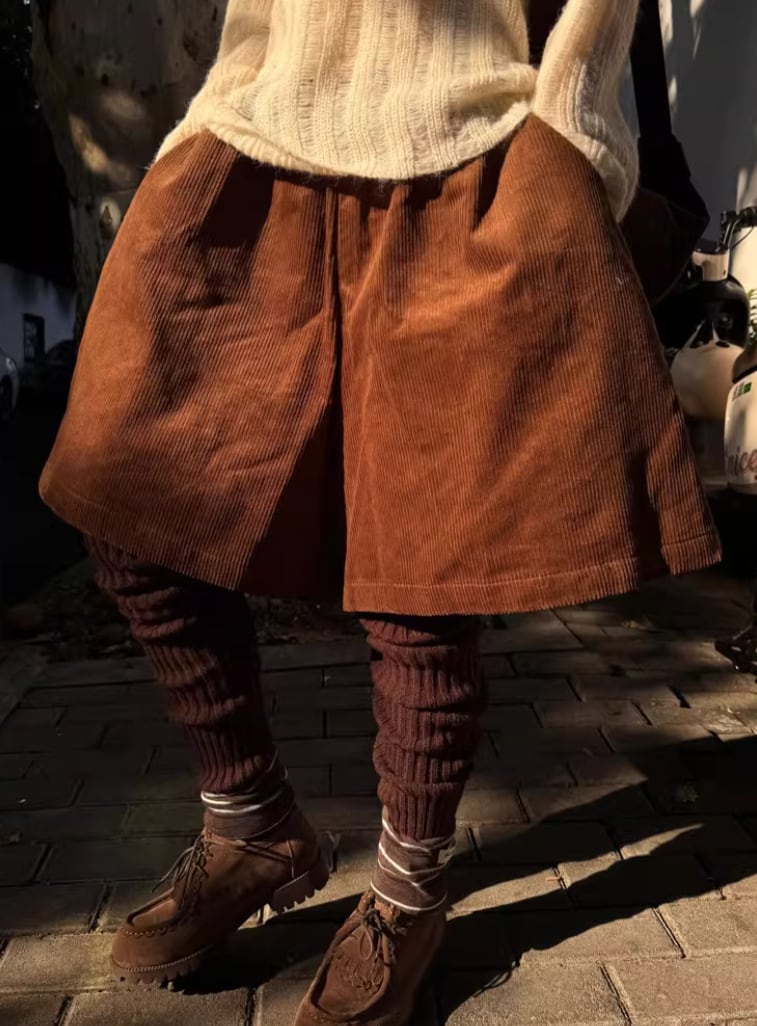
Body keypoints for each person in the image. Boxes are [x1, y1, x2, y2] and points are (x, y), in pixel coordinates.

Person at [39, 1, 721, 1022]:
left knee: (421, 565)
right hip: (256, 142)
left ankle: (408, 890)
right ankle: (251, 822)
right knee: (131, 500)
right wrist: (200, 125)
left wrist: (569, 147)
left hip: (473, 155)